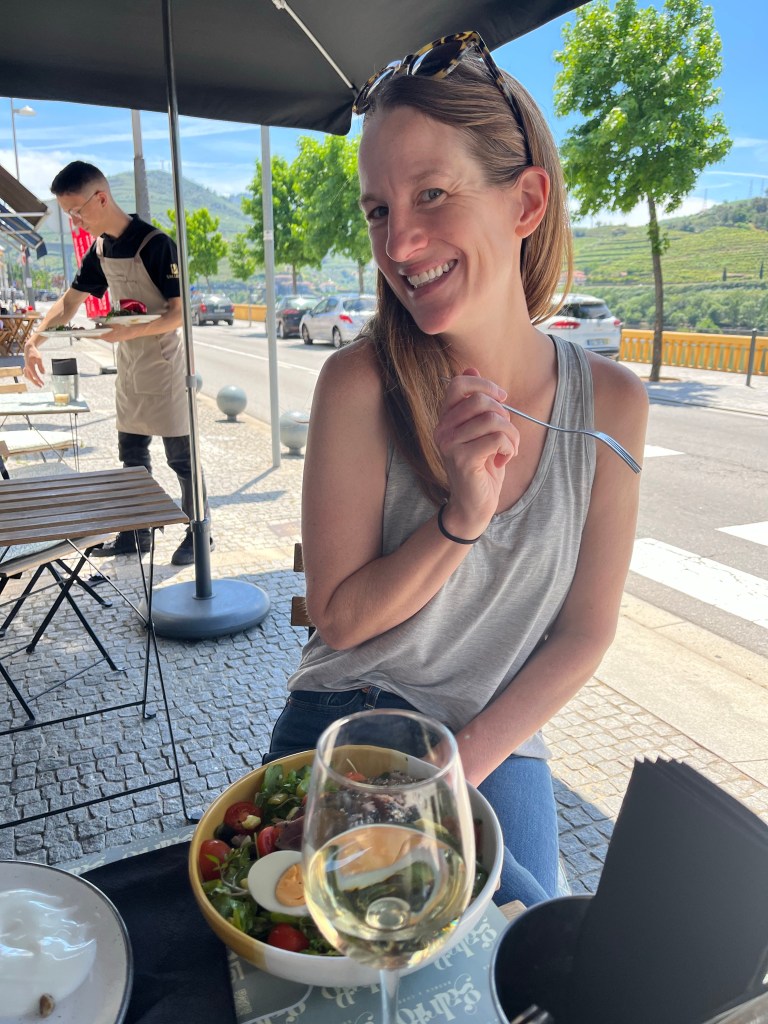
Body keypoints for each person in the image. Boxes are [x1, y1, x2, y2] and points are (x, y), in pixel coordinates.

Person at [264, 32, 649, 907]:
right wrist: (460, 520)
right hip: (353, 710)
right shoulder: (359, 383)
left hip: (498, 730)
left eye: (431, 194)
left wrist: (452, 775)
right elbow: (340, 620)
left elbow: (584, 633)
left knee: (527, 937)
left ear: (526, 201)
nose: (400, 243)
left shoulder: (613, 405)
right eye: (378, 210)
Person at [23, 161, 212, 566]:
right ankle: (136, 532)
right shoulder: (100, 250)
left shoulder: (157, 244)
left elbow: (179, 314)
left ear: (101, 198)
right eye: (68, 214)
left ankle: (200, 531)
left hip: (164, 364)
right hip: (129, 363)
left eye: (76, 212)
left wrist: (126, 333)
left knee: (180, 458)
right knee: (131, 454)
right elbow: (68, 304)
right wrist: (33, 341)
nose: (74, 222)